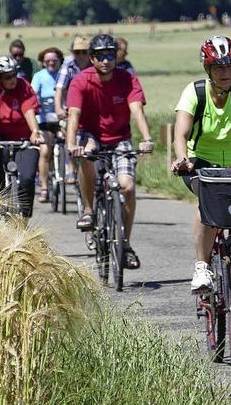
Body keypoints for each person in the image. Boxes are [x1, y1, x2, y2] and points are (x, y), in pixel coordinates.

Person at [170, 35, 231, 330]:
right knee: (207, 209)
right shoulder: (194, 92)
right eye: (219, 66)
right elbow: (181, 133)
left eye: (230, 65)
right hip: (202, 163)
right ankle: (202, 268)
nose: (226, 71)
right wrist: (182, 157)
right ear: (207, 68)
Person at [66, 34, 154, 269]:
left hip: (119, 138)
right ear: (92, 58)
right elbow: (73, 115)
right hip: (90, 134)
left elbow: (137, 111)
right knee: (86, 153)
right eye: (100, 56)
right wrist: (70, 143)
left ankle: (125, 245)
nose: (106, 60)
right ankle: (87, 208)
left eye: (110, 55)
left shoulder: (128, 79)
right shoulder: (80, 81)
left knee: (127, 186)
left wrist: (146, 138)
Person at [0, 56, 43, 219]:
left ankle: (25, 218)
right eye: (8, 77)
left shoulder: (23, 86)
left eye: (14, 74)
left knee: (27, 178)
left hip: (23, 137)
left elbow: (28, 110)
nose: (13, 79)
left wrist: (35, 131)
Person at [55, 36, 91, 185]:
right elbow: (59, 89)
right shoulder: (68, 66)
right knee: (69, 132)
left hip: (91, 108)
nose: (81, 56)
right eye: (77, 52)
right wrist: (58, 108)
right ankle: (70, 165)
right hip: (70, 107)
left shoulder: (94, 66)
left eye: (84, 52)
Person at [31, 46, 63, 203]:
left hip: (62, 119)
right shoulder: (39, 76)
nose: (51, 63)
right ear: (43, 62)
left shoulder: (64, 75)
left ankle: (71, 172)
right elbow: (33, 94)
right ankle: (44, 187)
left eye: (54, 61)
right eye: (47, 61)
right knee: (44, 151)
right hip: (43, 120)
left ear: (60, 61)